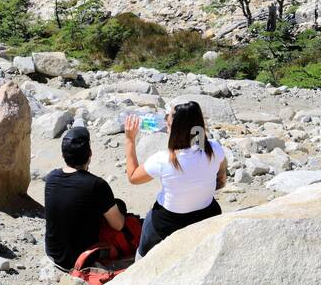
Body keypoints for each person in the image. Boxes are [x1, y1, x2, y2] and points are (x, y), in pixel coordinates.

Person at [124, 102, 226, 259]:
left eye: (168, 118)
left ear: (172, 128)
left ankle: (140, 262)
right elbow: (221, 180)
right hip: (207, 214)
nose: (165, 119)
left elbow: (133, 177)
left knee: (144, 251)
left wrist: (130, 140)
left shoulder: (163, 160)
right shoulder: (214, 149)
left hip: (169, 222)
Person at [44, 127, 135, 271]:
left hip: (53, 253)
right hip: (82, 259)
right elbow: (118, 225)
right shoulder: (96, 185)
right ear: (90, 154)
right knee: (125, 218)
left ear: (63, 155)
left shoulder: (51, 178)